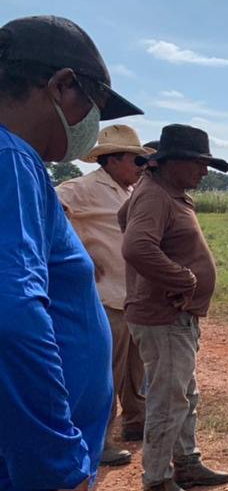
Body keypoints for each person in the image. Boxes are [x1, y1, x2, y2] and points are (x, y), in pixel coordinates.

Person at [0, 13, 142, 491]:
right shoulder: (12, 161)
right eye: (92, 101)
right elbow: (9, 315)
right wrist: (58, 457)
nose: (89, 125)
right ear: (60, 85)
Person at [120, 124, 228, 491]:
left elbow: (124, 219)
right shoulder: (155, 195)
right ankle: (157, 482)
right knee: (169, 399)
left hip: (172, 316)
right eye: (199, 164)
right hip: (163, 317)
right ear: (174, 163)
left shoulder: (161, 192)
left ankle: (187, 463)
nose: (205, 171)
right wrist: (182, 278)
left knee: (184, 392)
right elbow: (136, 246)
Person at [57, 124, 154, 466]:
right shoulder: (82, 187)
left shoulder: (129, 192)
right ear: (112, 161)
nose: (141, 167)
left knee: (135, 369)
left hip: (131, 294)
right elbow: (50, 209)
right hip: (104, 296)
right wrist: (79, 251)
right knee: (105, 375)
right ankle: (99, 441)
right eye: (136, 160)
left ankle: (135, 423)